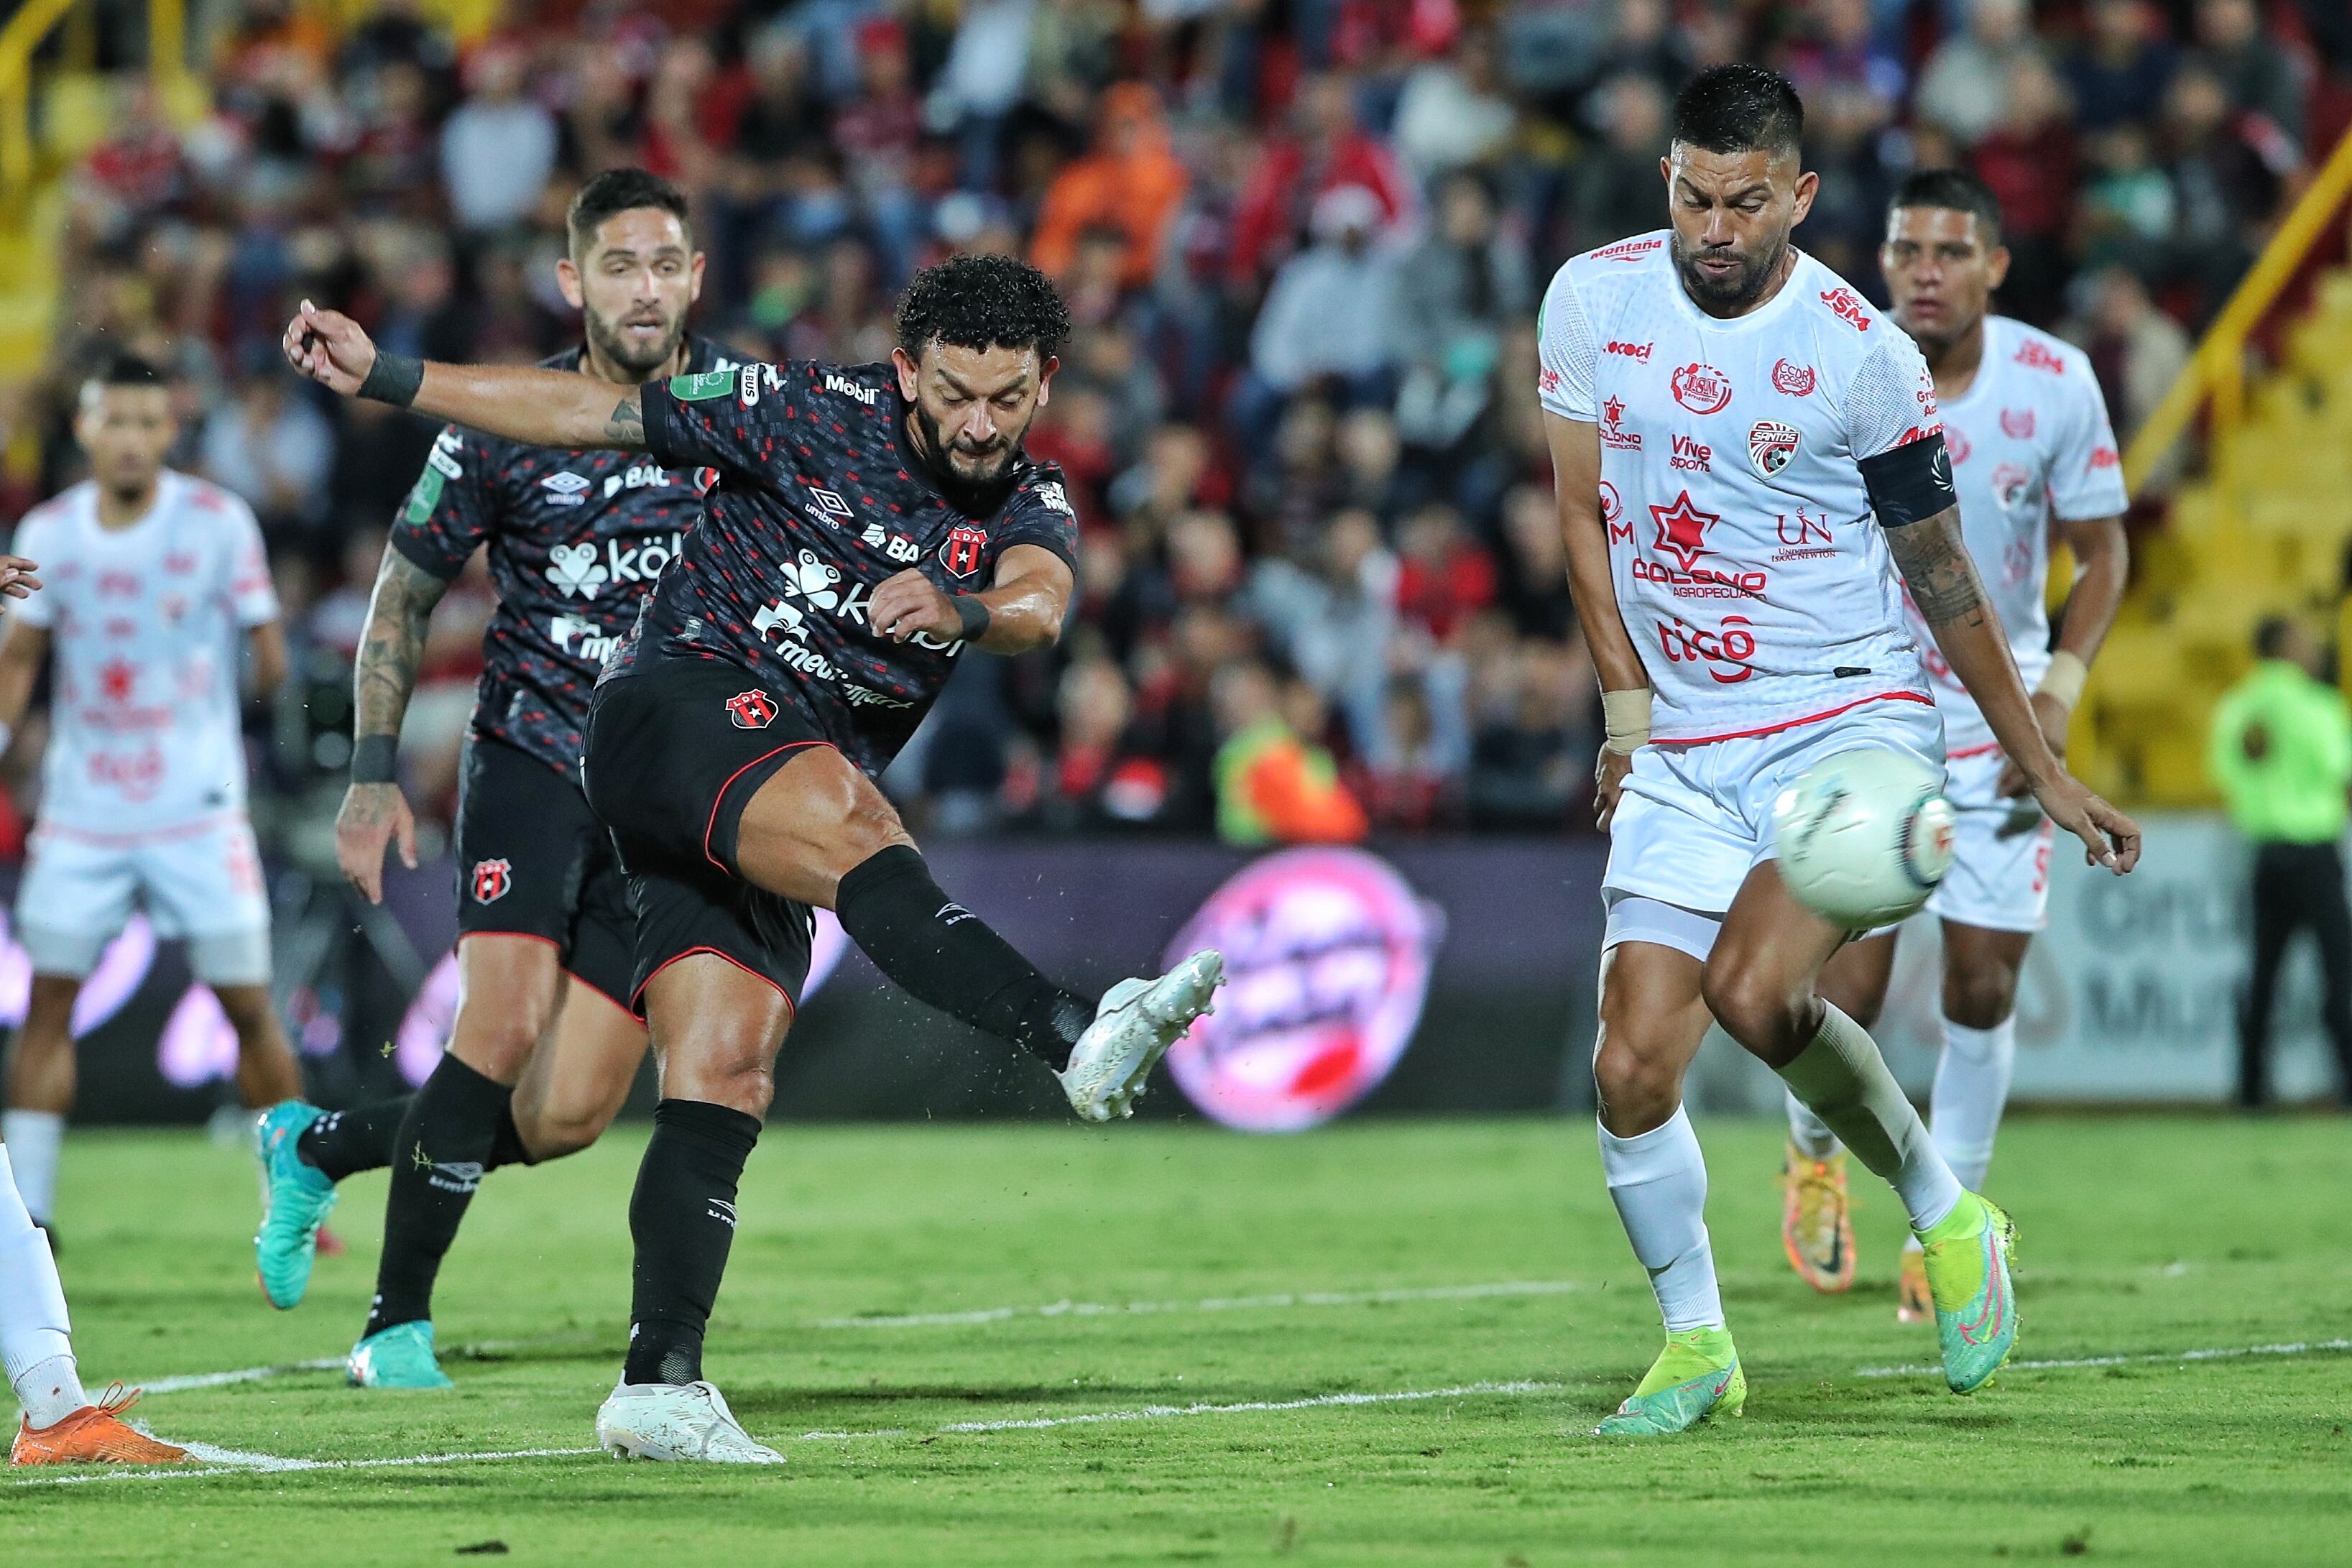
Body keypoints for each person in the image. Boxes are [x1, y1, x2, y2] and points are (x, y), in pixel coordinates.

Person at [282, 252, 1222, 1462]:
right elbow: (588, 411)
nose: (978, 426)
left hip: (765, 798)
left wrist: (962, 609)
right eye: (952, 395)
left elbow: (1041, 603)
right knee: (861, 829)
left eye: (1005, 399)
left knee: (722, 1073)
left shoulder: (1028, 505)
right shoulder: (799, 411)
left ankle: (657, 1381)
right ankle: (1069, 1034)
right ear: (905, 371)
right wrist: (395, 379)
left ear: (1043, 383)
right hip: (673, 706)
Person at [1535, 65, 2140, 1435]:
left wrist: (2037, 763)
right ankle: (1698, 1345)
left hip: (1850, 716)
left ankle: (1944, 1210)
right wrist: (1625, 710)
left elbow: (1940, 577)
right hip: (1686, 738)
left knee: (1756, 996)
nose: (1715, 228)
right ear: (1668, 183)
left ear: (1797, 198)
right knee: (1629, 1066)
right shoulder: (1588, 299)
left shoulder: (1862, 354)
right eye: (1693, 195)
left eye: (1746, 203)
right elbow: (1580, 516)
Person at [249, 170, 745, 1389]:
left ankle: (320, 1140)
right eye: (617, 265)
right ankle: (392, 1324)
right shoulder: (502, 421)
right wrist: (373, 775)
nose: (644, 287)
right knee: (503, 1022)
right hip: (530, 756)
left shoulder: (747, 413)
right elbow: (399, 597)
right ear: (573, 282)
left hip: (666, 797)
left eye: (664, 263)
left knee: (571, 1113)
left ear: (695, 277)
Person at [1780, 170, 2131, 1320]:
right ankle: (1814, 1159)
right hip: (1869, 706)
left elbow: (2104, 549)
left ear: (1993, 267)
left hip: (2001, 720)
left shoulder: (2054, 381)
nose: (1924, 270)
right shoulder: (1834, 362)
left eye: (1949, 251)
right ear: (1882, 260)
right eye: (1905, 250)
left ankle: (1955, 1229)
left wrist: (2062, 687)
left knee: (1981, 986)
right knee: (1851, 983)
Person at [0, 356, 300, 1237]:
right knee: (49, 999)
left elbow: (270, 652)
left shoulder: (216, 522)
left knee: (249, 1007)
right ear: (85, 430)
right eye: (113, 422)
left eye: (146, 422)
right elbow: (19, 663)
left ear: (170, 432)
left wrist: (239, 728)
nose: (130, 440)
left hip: (197, 807)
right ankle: (33, 1216)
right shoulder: (49, 532)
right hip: (83, 806)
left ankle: (289, 1199)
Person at [2208, 618, 2352, 1109]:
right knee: (2339, 974)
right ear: (2286, 647)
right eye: (2305, 639)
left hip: (2264, 855)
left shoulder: (2234, 707)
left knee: (2263, 976)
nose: (2314, 647)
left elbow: (2222, 772)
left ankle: (2250, 1092)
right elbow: (2340, 771)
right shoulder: (2320, 706)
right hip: (2315, 854)